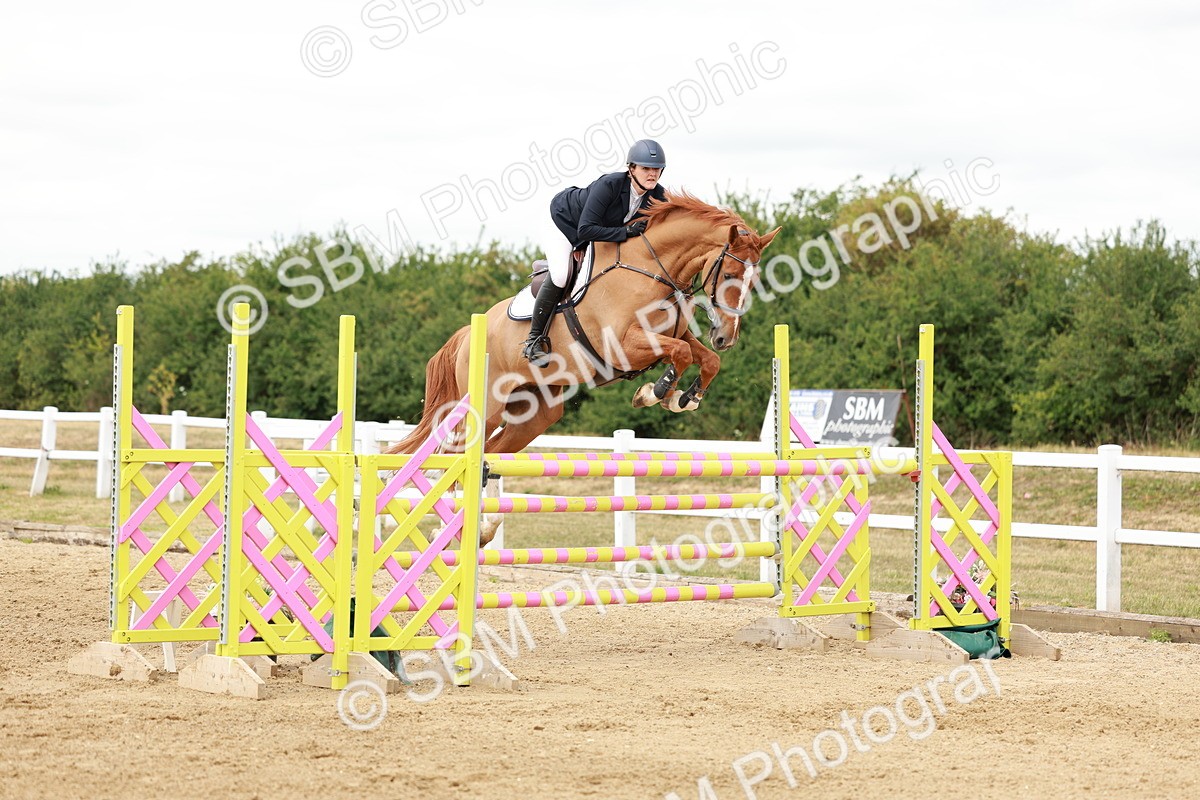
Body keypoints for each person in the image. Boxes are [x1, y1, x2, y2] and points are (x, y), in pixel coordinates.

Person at [521, 139, 668, 366]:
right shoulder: (610, 185)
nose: (652, 174)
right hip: (562, 224)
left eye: (656, 169)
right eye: (646, 168)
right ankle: (533, 341)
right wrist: (625, 231)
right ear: (631, 169)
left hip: (595, 234)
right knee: (561, 274)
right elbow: (586, 228)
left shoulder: (658, 195)